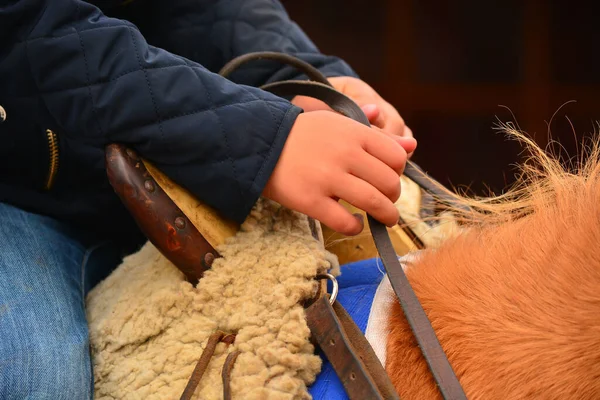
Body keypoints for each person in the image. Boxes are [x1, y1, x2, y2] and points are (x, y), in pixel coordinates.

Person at [0, 0, 416, 398]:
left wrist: (303, 76)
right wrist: (264, 140)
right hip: (17, 190)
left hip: (161, 152)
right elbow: (24, 25)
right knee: (36, 377)